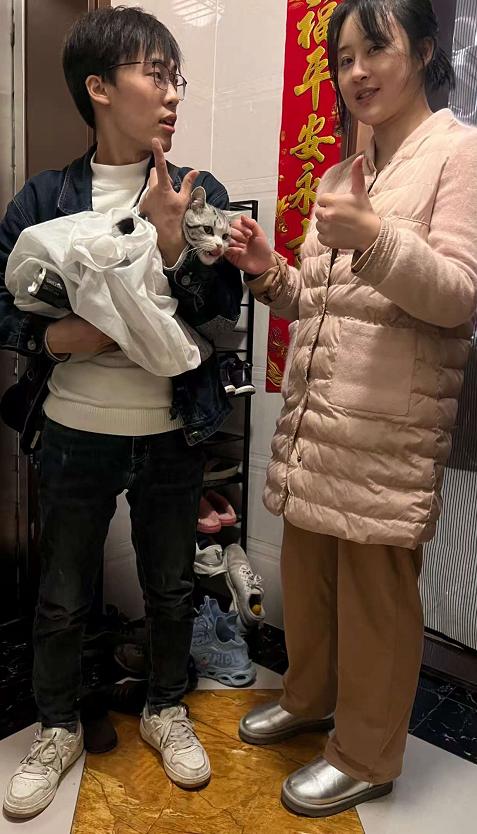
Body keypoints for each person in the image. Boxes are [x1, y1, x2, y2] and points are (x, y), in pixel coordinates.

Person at [226, 0, 477, 819]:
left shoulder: (459, 152)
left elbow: (458, 297)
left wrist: (374, 237)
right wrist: (268, 271)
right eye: (342, 58)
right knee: (310, 581)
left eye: (376, 48)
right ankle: (310, 701)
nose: (356, 72)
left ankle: (367, 755)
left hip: (387, 429)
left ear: (425, 50)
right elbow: (324, 303)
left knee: (374, 600)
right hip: (321, 422)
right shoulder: (347, 166)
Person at [0, 5, 242, 819]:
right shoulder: (44, 198)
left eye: (178, 78)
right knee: (62, 594)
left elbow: (219, 311)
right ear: (99, 88)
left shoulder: (198, 191)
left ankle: (165, 707)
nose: (172, 94)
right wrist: (65, 336)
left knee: (170, 588)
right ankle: (58, 725)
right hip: (74, 432)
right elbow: (5, 308)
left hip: (172, 431)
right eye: (155, 75)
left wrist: (173, 248)